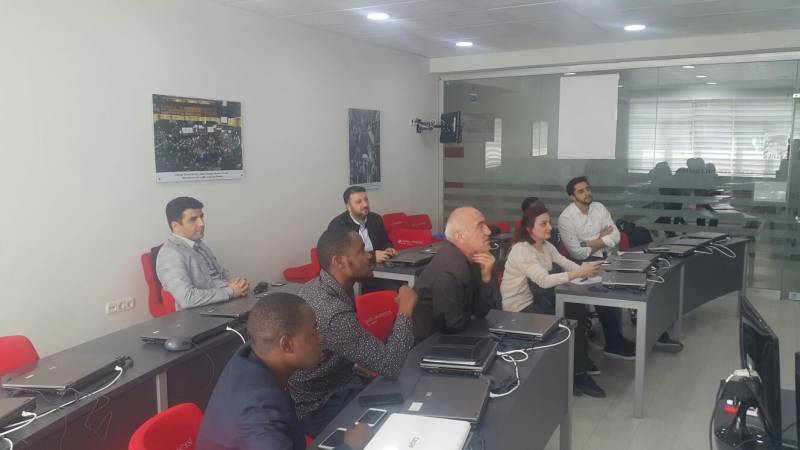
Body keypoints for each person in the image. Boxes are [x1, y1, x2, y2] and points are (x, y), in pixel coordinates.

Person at [196, 293, 371, 450]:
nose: (321, 339)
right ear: (286, 345)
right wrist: (348, 446)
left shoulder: (253, 355)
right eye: (313, 332)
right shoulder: (260, 417)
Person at [289, 227, 417, 437]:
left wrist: (352, 363)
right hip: (321, 406)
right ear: (339, 262)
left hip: (339, 382)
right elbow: (391, 365)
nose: (368, 256)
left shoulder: (320, 286)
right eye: (361, 251)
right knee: (404, 413)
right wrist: (405, 311)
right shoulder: (333, 313)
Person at [558, 177, 683, 354]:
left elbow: (615, 237)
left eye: (588, 189)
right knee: (610, 292)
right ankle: (614, 343)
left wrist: (589, 243)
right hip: (585, 265)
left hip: (611, 256)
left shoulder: (599, 208)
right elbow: (577, 253)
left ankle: (656, 333)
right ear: (572, 197)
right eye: (581, 191)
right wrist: (601, 239)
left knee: (642, 284)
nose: (587, 193)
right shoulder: (566, 218)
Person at [501, 203, 606, 397]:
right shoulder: (521, 249)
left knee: (578, 312)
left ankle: (579, 362)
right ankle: (577, 374)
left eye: (549, 222)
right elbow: (543, 280)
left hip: (539, 299)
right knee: (566, 324)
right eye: (543, 224)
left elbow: (566, 263)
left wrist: (588, 270)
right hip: (519, 307)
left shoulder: (546, 246)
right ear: (528, 228)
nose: (549, 227)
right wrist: (579, 273)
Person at [413, 206, 501, 343]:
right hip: (424, 345)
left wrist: (486, 278)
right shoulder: (448, 270)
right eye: (480, 226)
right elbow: (452, 326)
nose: (488, 231)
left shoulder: (476, 260)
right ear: (459, 237)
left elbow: (483, 312)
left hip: (448, 336)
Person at [156, 196, 249, 309]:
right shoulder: (169, 254)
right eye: (193, 219)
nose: (201, 223)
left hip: (224, 303)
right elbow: (187, 298)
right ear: (176, 226)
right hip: (203, 313)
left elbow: (220, 272)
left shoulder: (198, 244)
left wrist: (239, 283)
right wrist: (230, 291)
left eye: (201, 217)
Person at [329, 186, 397, 264]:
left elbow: (385, 241)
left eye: (366, 200)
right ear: (348, 207)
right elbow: (342, 256)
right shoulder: (337, 226)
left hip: (379, 267)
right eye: (359, 202)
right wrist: (372, 256)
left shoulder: (376, 219)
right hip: (354, 270)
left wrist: (388, 248)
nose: (365, 204)